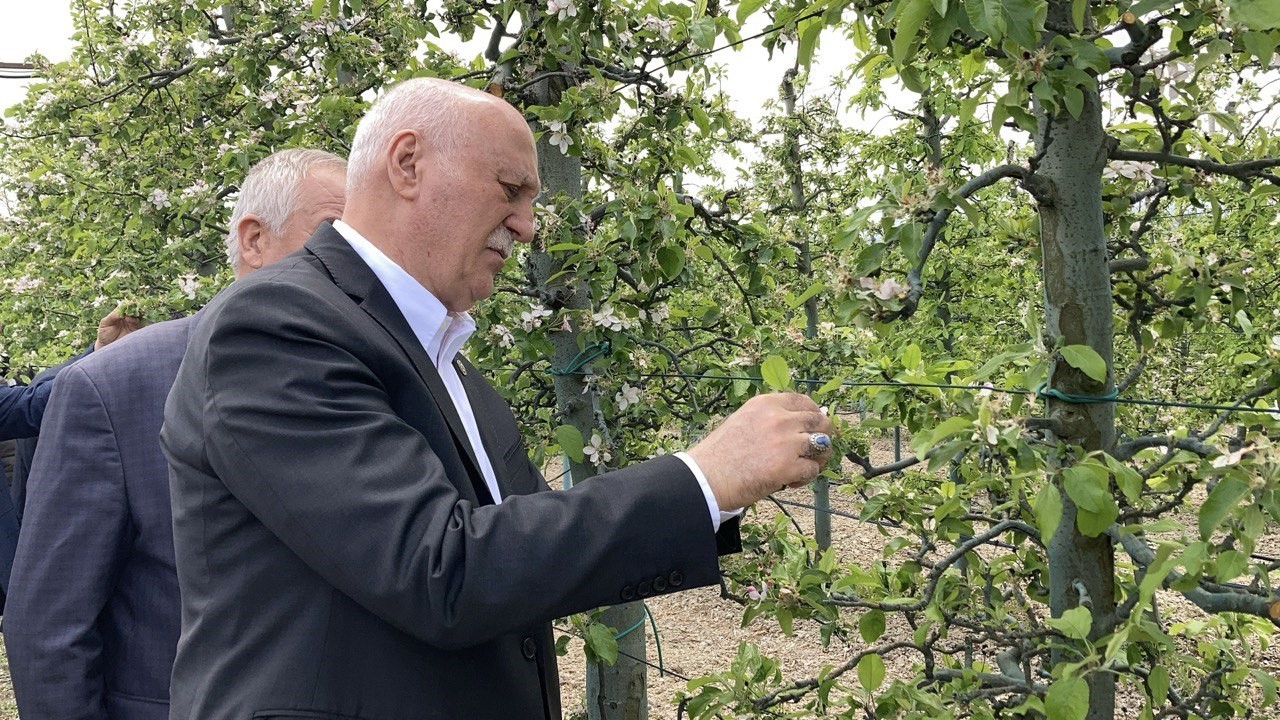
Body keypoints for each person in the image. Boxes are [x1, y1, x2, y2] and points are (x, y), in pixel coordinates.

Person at [160, 77, 834, 720]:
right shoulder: (278, 326)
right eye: (512, 189)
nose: (529, 225)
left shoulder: (451, 367)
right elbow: (440, 571)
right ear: (407, 164)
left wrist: (719, 494)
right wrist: (702, 480)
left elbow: (521, 560)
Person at [3, 147, 348, 720]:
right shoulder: (115, 388)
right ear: (254, 240)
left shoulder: (386, 379)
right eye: (332, 234)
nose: (354, 261)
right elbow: (49, 629)